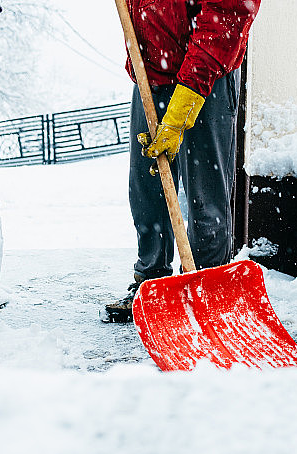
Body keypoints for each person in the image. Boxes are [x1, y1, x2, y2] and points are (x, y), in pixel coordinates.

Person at [103, 0, 261, 323]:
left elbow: (229, 11)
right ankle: (153, 284)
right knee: (148, 187)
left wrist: (192, 86)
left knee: (206, 195)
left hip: (208, 71)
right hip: (152, 73)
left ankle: (209, 291)